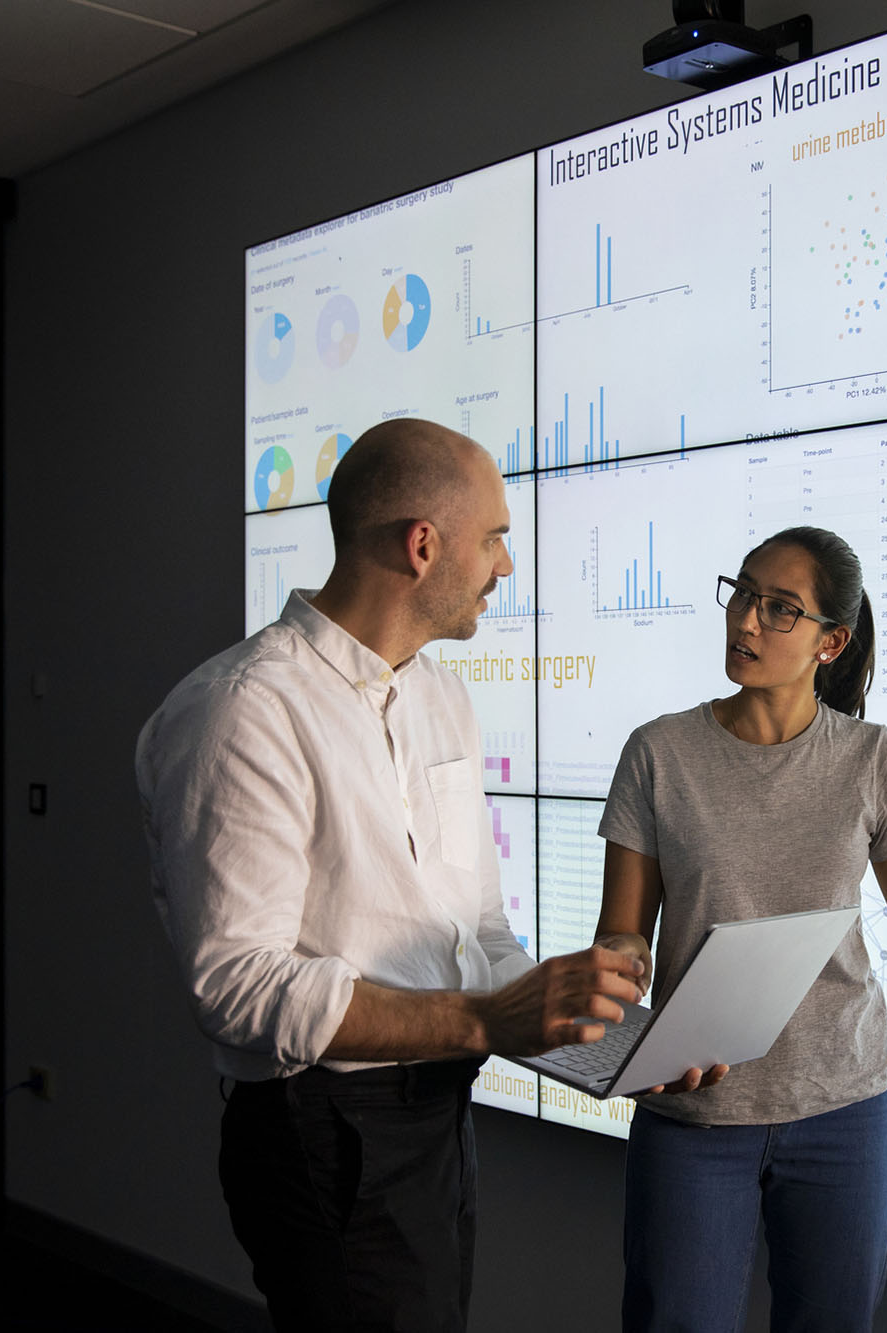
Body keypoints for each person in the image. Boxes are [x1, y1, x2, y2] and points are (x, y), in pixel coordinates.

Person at [136, 418, 647, 1332]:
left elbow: (477, 930)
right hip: (322, 1130)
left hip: (437, 1111)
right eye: (494, 538)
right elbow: (237, 986)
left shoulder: (441, 696)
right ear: (422, 546)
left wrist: (598, 1037)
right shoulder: (243, 710)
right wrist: (484, 1019)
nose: (506, 565)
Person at [593, 525, 887, 1332]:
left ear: (831, 642)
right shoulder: (659, 753)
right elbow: (621, 936)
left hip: (844, 1114)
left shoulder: (872, 759)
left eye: (780, 608)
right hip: (694, 1112)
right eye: (743, 593)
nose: (747, 619)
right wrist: (618, 970)